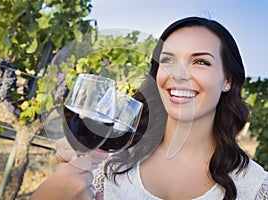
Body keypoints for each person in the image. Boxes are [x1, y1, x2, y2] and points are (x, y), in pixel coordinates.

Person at [31, 16, 268, 200]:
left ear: (228, 80)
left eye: (200, 62)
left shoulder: (256, 188)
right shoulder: (108, 159)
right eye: (168, 60)